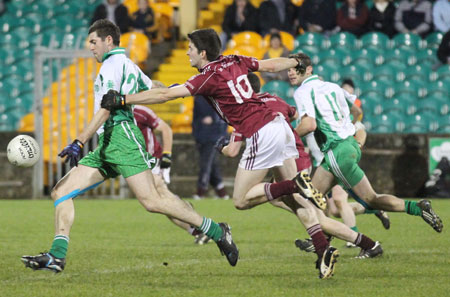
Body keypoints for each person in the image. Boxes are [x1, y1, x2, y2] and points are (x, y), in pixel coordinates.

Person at [101, 28, 347, 279]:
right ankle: (322, 248)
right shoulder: (235, 59)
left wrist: (123, 100)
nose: (187, 52)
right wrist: (295, 61)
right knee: (296, 201)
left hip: (260, 131)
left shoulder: (207, 77)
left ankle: (294, 184)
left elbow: (165, 95)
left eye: (191, 49)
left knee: (241, 200)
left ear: (203, 53)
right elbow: (271, 66)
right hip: (279, 125)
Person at [21, 20, 239, 273]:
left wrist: (79, 141)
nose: (89, 47)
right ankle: (57, 256)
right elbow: (153, 87)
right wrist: (175, 88)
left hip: (122, 136)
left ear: (108, 41)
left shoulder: (113, 66)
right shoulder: (126, 64)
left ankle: (216, 229)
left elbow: (108, 107)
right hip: (108, 142)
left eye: (93, 41)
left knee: (152, 201)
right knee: (61, 192)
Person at [289, 53, 443, 254]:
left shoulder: (303, 91)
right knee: (318, 198)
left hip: (337, 151)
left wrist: (287, 137)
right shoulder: (333, 87)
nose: (290, 71)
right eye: (289, 68)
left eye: (295, 67)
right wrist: (346, 130)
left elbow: (309, 124)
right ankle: (418, 208)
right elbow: (357, 112)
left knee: (323, 200)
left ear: (309, 69)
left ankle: (361, 245)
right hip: (347, 147)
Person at [133, 104, 211, 244]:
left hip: (152, 162)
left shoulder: (140, 111)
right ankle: (196, 227)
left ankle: (205, 228)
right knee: (162, 203)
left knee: (161, 201)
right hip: (137, 164)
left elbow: (165, 129)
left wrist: (166, 157)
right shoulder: (116, 115)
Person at [192, 95, 229, 200]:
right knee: (212, 164)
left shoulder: (217, 98)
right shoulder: (200, 98)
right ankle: (221, 191)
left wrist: (213, 120)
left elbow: (222, 117)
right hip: (203, 136)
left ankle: (201, 190)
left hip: (213, 136)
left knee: (206, 164)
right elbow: (196, 117)